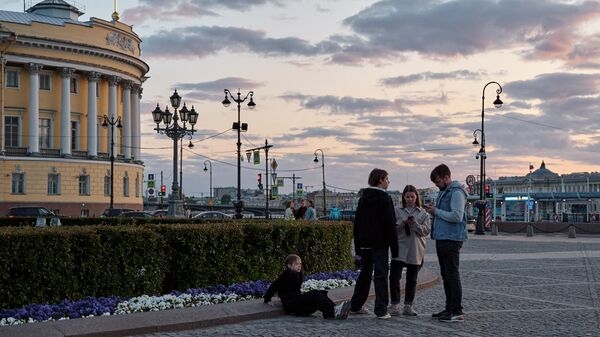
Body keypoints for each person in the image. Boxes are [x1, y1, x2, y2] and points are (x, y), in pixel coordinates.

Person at [349, 168, 399, 319]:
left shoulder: (363, 198)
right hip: (379, 244)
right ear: (380, 180)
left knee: (364, 275)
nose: (388, 182)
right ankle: (381, 310)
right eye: (387, 179)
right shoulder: (385, 199)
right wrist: (395, 249)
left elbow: (357, 223)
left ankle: (356, 305)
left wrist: (358, 246)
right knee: (381, 276)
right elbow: (390, 224)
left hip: (364, 244)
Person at [423, 164, 468, 322]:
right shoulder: (445, 192)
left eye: (438, 181)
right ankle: (449, 308)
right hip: (443, 237)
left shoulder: (456, 193)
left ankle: (456, 310)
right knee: (446, 275)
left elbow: (457, 216)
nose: (436, 184)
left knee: (452, 275)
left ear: (446, 177)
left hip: (451, 238)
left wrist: (436, 212)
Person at [263, 254, 351, 320]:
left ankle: (334, 311)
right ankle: (334, 311)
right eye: (296, 264)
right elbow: (274, 286)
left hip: (298, 301)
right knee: (315, 294)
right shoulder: (286, 275)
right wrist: (267, 299)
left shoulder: (297, 275)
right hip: (292, 304)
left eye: (300, 264)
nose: (299, 266)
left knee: (321, 293)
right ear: (289, 265)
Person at [388, 185, 430, 316]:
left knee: (412, 279)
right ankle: (394, 304)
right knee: (394, 277)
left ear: (416, 197)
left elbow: (426, 231)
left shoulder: (423, 213)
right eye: (407, 197)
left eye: (412, 196)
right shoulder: (396, 211)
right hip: (400, 248)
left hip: (415, 248)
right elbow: (392, 229)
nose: (410, 199)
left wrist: (414, 224)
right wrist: (402, 222)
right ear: (403, 197)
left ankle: (408, 305)